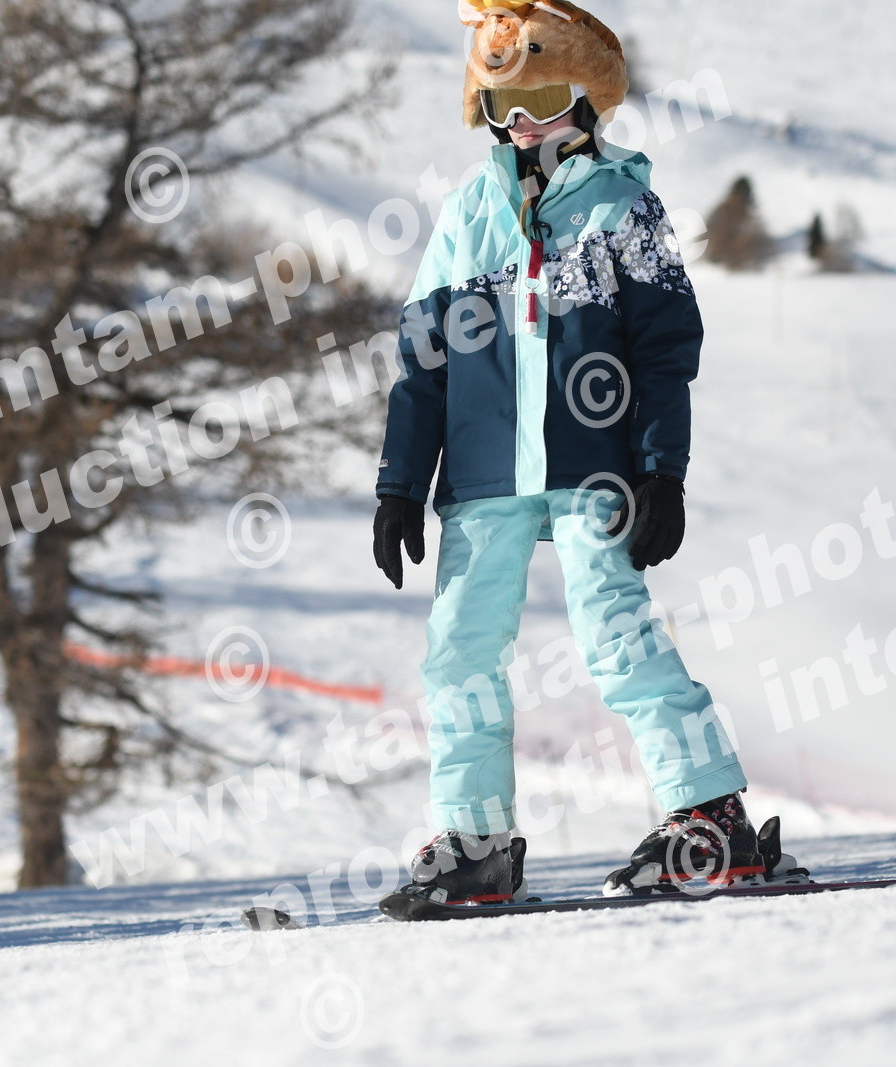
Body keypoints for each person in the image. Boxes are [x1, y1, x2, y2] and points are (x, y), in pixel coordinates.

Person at [373, 0, 799, 905]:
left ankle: (707, 813)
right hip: (484, 470)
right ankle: (476, 837)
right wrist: (400, 482)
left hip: (590, 463)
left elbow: (664, 352)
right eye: (504, 106)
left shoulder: (622, 206)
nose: (525, 124)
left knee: (615, 631)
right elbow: (422, 356)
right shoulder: (468, 211)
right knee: (459, 650)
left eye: (545, 98)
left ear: (588, 99)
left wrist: (662, 469)